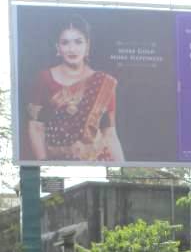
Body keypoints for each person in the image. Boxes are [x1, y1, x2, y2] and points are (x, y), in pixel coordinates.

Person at [26, 16, 125, 162]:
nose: (72, 49)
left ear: (87, 46)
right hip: (56, 160)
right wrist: (44, 163)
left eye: (78, 42)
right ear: (57, 47)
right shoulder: (45, 79)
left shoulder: (105, 83)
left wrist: (123, 169)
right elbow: (35, 127)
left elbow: (109, 133)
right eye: (65, 43)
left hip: (97, 159)